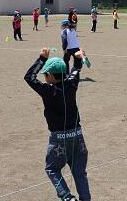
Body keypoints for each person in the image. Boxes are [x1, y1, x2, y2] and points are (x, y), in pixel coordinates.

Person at [24, 47, 91, 201]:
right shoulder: (71, 83)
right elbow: (76, 69)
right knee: (80, 173)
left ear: (50, 76)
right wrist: (78, 58)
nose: (45, 78)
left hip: (59, 139)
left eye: (45, 75)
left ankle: (67, 197)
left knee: (52, 168)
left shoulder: (48, 90)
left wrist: (42, 59)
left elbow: (29, 77)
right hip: (77, 136)